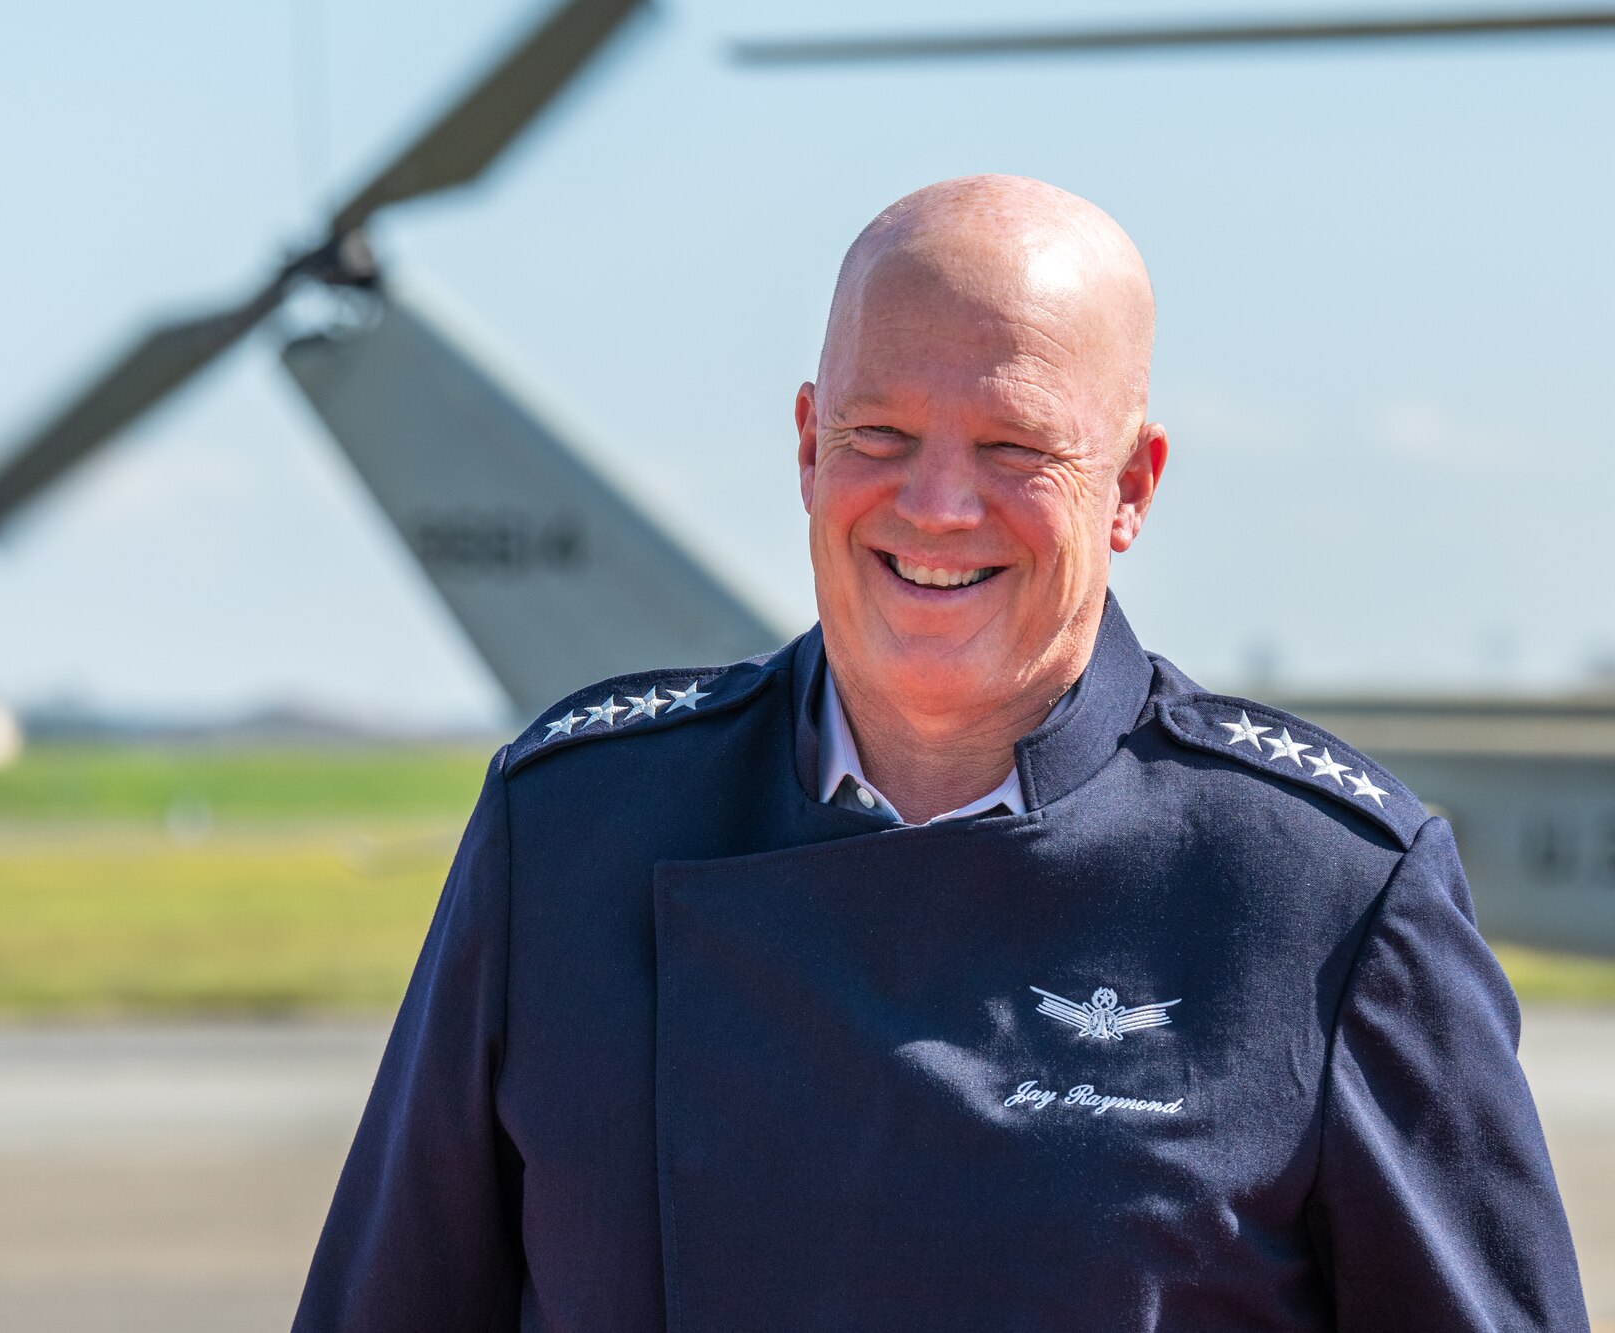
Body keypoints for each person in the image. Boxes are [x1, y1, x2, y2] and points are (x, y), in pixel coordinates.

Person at [291, 175, 1589, 1330]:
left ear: (1131, 486)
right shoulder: (569, 834)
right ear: (808, 443)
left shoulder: (1322, 889)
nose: (937, 506)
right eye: (881, 437)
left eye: (1015, 447)